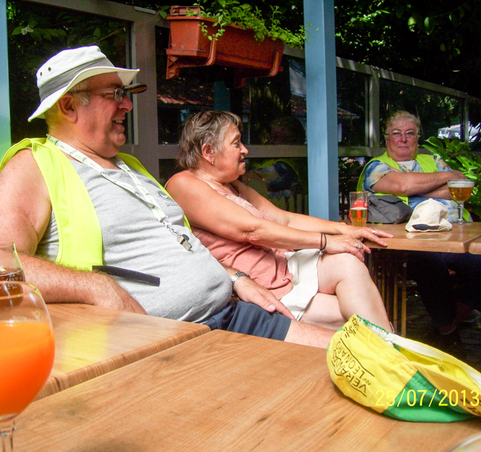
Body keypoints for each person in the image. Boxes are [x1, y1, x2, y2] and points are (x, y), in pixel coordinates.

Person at [0, 45, 353, 349]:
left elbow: (177, 245)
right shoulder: (35, 165)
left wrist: (234, 277)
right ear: (70, 106)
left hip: (233, 313)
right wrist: (98, 287)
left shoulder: (130, 166)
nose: (127, 104)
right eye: (114, 95)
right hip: (170, 342)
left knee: (362, 363)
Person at [165, 111, 393, 333]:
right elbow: (252, 230)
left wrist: (345, 230)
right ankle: (393, 356)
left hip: (283, 265)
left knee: (348, 262)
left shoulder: (234, 185)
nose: (245, 150)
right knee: (361, 322)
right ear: (208, 152)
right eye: (236, 143)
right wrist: (326, 242)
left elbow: (285, 218)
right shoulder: (183, 183)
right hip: (261, 286)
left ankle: (393, 355)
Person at [357, 110, 481, 337]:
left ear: (417, 138)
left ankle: (449, 321)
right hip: (408, 245)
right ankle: (445, 327)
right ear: (387, 139)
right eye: (397, 133)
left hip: (454, 237)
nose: (403, 139)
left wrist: (419, 186)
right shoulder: (377, 167)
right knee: (427, 262)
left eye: (410, 133)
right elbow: (403, 186)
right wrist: (445, 178)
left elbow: (461, 188)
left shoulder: (430, 159)